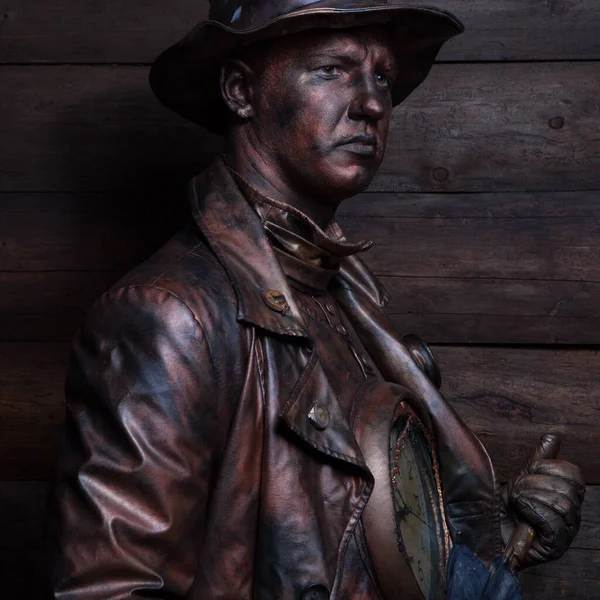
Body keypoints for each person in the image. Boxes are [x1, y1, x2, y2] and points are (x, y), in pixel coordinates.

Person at [46, 1, 585, 598]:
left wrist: (489, 550)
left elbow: (360, 538)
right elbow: (110, 589)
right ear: (240, 90)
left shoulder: (343, 296)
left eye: (382, 74)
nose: (374, 103)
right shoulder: (171, 315)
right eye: (332, 69)